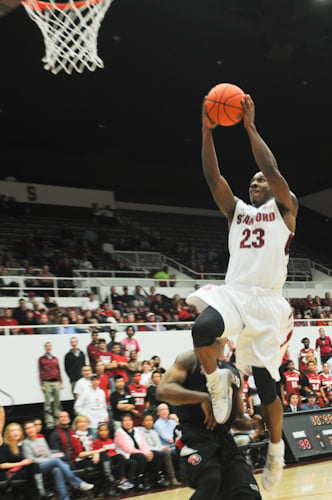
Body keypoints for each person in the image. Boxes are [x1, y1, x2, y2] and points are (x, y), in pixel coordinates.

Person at [185, 95, 298, 491]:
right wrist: (206, 133)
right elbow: (213, 178)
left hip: (268, 302)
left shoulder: (286, 208)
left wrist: (250, 128)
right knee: (203, 328)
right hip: (236, 292)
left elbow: (272, 168)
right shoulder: (237, 212)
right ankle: (218, 383)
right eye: (251, 181)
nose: (255, 183)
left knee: (268, 387)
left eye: (259, 180)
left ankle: (275, 449)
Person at [157, 347, 262, 500]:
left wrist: (254, 424)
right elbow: (163, 390)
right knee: (211, 480)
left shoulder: (233, 371)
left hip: (224, 440)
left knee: (249, 492)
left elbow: (237, 419)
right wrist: (202, 398)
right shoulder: (191, 358)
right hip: (194, 435)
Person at [22, 420, 94, 500]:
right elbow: (31, 460)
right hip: (38, 468)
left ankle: (64, 498)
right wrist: (47, 460)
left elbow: (48, 454)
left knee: (57, 470)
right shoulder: (25, 443)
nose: (30, 430)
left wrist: (48, 460)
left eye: (31, 427)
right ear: (25, 431)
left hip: (49, 464)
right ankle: (77, 483)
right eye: (27, 428)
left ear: (35, 428)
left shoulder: (41, 439)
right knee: (56, 461)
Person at [114, 413, 166, 491]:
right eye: (125, 421)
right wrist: (143, 453)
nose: (128, 422)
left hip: (140, 452)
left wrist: (148, 452)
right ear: (121, 423)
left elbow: (143, 444)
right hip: (127, 454)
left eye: (129, 420)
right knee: (140, 457)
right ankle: (138, 481)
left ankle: (154, 480)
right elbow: (128, 449)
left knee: (156, 455)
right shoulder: (119, 433)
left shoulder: (136, 430)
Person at [0, 422, 41, 499]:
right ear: (8, 433)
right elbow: (2, 465)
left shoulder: (21, 445)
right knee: (31, 471)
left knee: (34, 466)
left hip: (19, 471)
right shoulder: (5, 446)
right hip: (8, 474)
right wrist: (21, 463)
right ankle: (39, 494)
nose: (15, 432)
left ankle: (39, 492)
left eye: (17, 430)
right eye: (12, 431)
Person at [139, 414, 181, 487]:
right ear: (142, 422)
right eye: (147, 420)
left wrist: (164, 447)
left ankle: (173, 477)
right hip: (148, 451)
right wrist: (161, 449)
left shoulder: (154, 432)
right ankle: (171, 478)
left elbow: (158, 444)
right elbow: (144, 445)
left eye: (151, 420)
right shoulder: (139, 431)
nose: (149, 422)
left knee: (174, 452)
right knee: (165, 454)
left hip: (157, 449)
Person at [93, 422, 135, 492]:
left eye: (105, 430)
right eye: (101, 430)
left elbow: (115, 451)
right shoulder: (97, 442)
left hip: (116, 458)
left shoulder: (111, 441)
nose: (104, 432)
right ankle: (122, 479)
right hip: (107, 460)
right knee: (119, 458)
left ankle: (127, 483)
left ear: (108, 431)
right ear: (98, 432)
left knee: (132, 462)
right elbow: (96, 453)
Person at [74, 374, 109, 439]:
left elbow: (104, 406)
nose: (95, 382)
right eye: (93, 380)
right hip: (91, 419)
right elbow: (77, 406)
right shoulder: (85, 392)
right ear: (90, 381)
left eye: (97, 380)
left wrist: (106, 416)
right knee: (94, 439)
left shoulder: (101, 392)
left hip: (101, 419)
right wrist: (85, 415)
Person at [38, 341, 63, 430]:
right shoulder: (41, 359)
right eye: (46, 346)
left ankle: (57, 421)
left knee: (57, 403)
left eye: (49, 346)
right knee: (48, 403)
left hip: (56, 382)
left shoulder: (55, 358)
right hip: (47, 382)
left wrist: (61, 382)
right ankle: (49, 422)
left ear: (51, 347)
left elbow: (58, 370)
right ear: (45, 348)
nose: (48, 347)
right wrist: (41, 383)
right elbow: (40, 371)